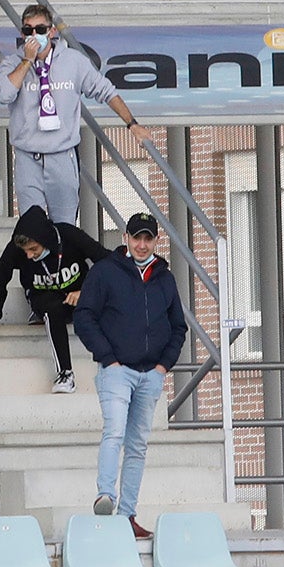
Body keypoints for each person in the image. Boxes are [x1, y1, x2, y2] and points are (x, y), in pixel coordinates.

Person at [73, 212, 186, 538]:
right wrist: (108, 359)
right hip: (116, 372)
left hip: (150, 374)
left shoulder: (164, 277)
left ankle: (128, 515)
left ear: (156, 240)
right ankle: (105, 495)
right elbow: (84, 317)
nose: (141, 244)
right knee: (115, 431)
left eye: (147, 238)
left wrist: (164, 365)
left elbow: (178, 326)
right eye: (136, 237)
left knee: (137, 445)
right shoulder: (106, 272)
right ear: (125, 237)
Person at [0, 4, 152, 224]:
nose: (34, 35)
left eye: (40, 30)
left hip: (62, 156)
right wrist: (27, 60)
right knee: (33, 228)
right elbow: (4, 94)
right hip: (27, 156)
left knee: (65, 227)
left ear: (52, 32)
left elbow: (106, 91)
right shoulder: (12, 63)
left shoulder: (73, 61)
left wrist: (132, 124)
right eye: (28, 30)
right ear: (22, 33)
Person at [0, 205, 110, 394]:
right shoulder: (16, 249)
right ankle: (65, 373)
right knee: (51, 308)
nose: (29, 255)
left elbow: (108, 261)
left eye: (33, 249)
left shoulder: (68, 235)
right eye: (25, 251)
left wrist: (87, 292)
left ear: (46, 240)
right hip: (43, 298)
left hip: (79, 297)